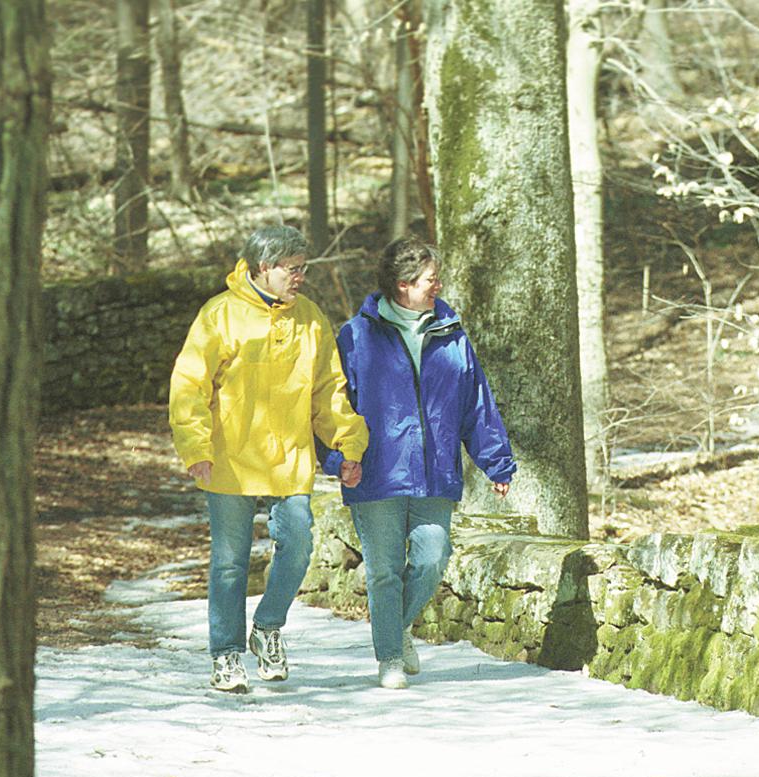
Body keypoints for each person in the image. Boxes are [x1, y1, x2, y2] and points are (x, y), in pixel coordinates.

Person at [170, 225, 368, 693]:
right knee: (229, 563)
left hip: (289, 459)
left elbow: (328, 391)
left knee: (298, 544)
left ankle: (267, 628)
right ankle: (226, 655)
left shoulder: (311, 317)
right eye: (292, 269)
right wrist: (196, 448)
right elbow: (189, 387)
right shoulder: (219, 315)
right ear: (264, 267)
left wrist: (348, 445)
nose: (300, 277)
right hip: (229, 460)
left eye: (303, 268)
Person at [319, 237, 516, 689]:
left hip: (434, 470)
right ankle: (389, 656)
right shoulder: (356, 336)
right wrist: (336, 459)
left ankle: (398, 626)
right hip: (373, 471)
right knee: (384, 569)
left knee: (433, 555)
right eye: (431, 279)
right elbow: (331, 406)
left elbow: (475, 403)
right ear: (403, 284)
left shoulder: (452, 333)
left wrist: (496, 462)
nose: (438, 286)